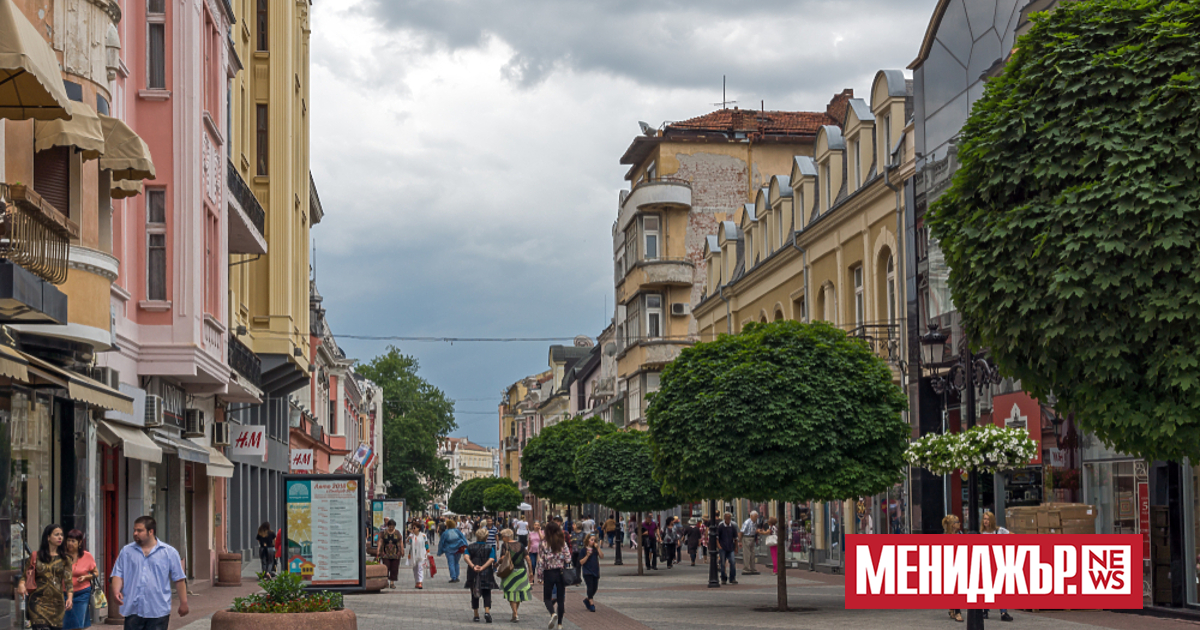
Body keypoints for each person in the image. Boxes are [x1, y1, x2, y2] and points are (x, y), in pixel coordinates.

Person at [110, 516, 188, 630]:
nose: (135, 533)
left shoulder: (169, 552)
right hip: (133, 610)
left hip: (158, 610)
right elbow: (118, 573)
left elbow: (179, 579)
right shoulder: (126, 551)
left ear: (151, 531)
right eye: (134, 530)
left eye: (139, 530)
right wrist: (116, 591)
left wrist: (184, 603)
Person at [18, 524, 73, 630]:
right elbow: (25, 576)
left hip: (57, 604)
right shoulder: (36, 556)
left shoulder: (65, 559)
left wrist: (70, 598)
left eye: (61, 535)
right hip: (38, 603)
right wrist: (21, 584)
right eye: (56, 535)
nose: (60, 537)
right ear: (48, 537)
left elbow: (68, 581)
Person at [536, 522, 572, 630]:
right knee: (561, 600)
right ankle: (560, 624)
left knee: (547, 598)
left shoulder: (543, 543)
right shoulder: (562, 543)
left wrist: (540, 576)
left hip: (549, 572)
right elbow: (568, 559)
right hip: (560, 572)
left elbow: (541, 561)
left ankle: (552, 613)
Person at [981, 512, 1014, 622]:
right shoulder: (982, 533)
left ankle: (1003, 612)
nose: (986, 521)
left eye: (988, 519)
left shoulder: (999, 531)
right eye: (984, 519)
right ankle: (985, 610)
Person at [63, 529, 99, 630]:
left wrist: (86, 577)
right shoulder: (61, 555)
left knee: (78, 622)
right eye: (68, 540)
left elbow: (96, 573)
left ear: (79, 543)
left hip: (82, 593)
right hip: (63, 593)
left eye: (73, 541)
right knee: (64, 623)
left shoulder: (87, 556)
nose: (70, 543)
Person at [464, 528, 498, 623]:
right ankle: (487, 612)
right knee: (487, 592)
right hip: (486, 572)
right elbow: (491, 559)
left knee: (474, 592)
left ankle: (476, 615)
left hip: (473, 572)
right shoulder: (490, 547)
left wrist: (473, 566)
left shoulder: (470, 547)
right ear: (486, 537)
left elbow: (466, 557)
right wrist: (483, 567)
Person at [498, 529, 532, 622]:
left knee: (511, 592)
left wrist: (499, 562)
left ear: (506, 536)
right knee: (518, 592)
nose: (501, 538)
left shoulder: (505, 545)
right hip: (521, 571)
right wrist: (531, 572)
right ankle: (515, 613)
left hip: (510, 572)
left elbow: (502, 558)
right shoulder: (521, 545)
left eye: (502, 536)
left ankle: (515, 613)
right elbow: (528, 558)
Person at [943, 514, 963, 623]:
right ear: (952, 525)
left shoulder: (961, 534)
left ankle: (952, 608)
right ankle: (958, 612)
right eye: (957, 522)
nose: (959, 524)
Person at [377, 519, 405, 589]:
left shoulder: (397, 533)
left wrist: (402, 550)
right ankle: (386, 582)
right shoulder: (384, 533)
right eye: (390, 526)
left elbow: (400, 541)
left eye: (392, 526)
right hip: (385, 553)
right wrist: (378, 549)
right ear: (388, 526)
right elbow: (380, 541)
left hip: (396, 554)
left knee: (394, 568)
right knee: (386, 567)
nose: (391, 528)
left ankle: (392, 583)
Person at [438, 518, 467, 584]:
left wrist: (440, 551)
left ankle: (453, 577)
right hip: (458, 549)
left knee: (451, 563)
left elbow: (441, 542)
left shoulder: (445, 533)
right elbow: (463, 539)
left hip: (449, 550)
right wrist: (466, 547)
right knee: (456, 563)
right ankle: (456, 576)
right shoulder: (457, 531)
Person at [580, 534, 603, 613]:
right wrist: (587, 555)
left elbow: (602, 556)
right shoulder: (583, 550)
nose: (593, 541)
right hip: (587, 572)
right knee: (590, 587)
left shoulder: (595, 549)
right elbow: (581, 562)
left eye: (594, 540)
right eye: (591, 540)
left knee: (594, 588)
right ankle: (591, 603)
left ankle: (587, 599)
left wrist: (598, 548)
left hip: (595, 570)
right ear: (587, 540)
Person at [716, 512, 739, 585]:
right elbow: (717, 537)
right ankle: (723, 578)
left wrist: (736, 547)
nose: (728, 520)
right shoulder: (721, 526)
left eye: (729, 518)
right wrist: (719, 546)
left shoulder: (732, 527)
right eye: (727, 518)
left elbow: (735, 538)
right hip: (723, 547)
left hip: (730, 547)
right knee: (722, 563)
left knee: (732, 562)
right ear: (725, 518)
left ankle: (732, 578)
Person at [407, 523, 429, 589]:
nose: (413, 529)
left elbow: (426, 544)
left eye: (414, 528)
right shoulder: (411, 536)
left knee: (420, 568)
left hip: (422, 554)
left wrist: (428, 552)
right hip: (413, 554)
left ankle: (420, 582)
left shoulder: (423, 535)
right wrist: (409, 536)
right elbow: (408, 542)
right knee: (415, 569)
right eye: (412, 528)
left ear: (418, 528)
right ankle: (417, 581)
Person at [740, 511, 761, 575]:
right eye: (755, 516)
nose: (756, 518)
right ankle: (746, 569)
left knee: (752, 554)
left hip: (752, 538)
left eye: (757, 516)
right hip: (746, 537)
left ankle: (753, 568)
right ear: (751, 516)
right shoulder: (747, 522)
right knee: (747, 554)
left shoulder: (755, 522)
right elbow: (742, 531)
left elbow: (754, 530)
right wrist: (740, 541)